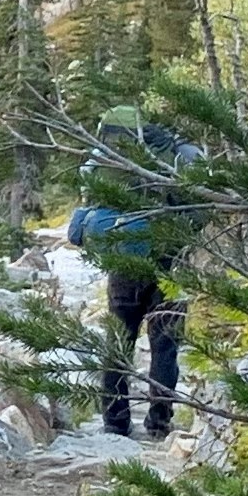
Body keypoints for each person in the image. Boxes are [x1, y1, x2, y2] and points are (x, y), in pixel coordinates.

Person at [64, 105, 195, 440]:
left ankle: (115, 421)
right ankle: (159, 421)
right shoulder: (177, 155)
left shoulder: (105, 155)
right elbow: (197, 213)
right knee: (165, 346)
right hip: (169, 265)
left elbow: (91, 194)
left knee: (118, 342)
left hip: (123, 263)